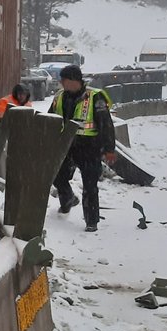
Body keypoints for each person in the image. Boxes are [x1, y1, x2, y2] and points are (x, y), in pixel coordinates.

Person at [51, 64, 116, 232]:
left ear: (74, 80)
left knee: (90, 185)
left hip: (89, 147)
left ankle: (91, 222)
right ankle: (68, 199)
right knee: (57, 177)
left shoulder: (95, 97)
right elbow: (51, 119)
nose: (61, 83)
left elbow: (106, 124)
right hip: (66, 146)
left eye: (64, 80)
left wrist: (109, 149)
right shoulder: (59, 97)